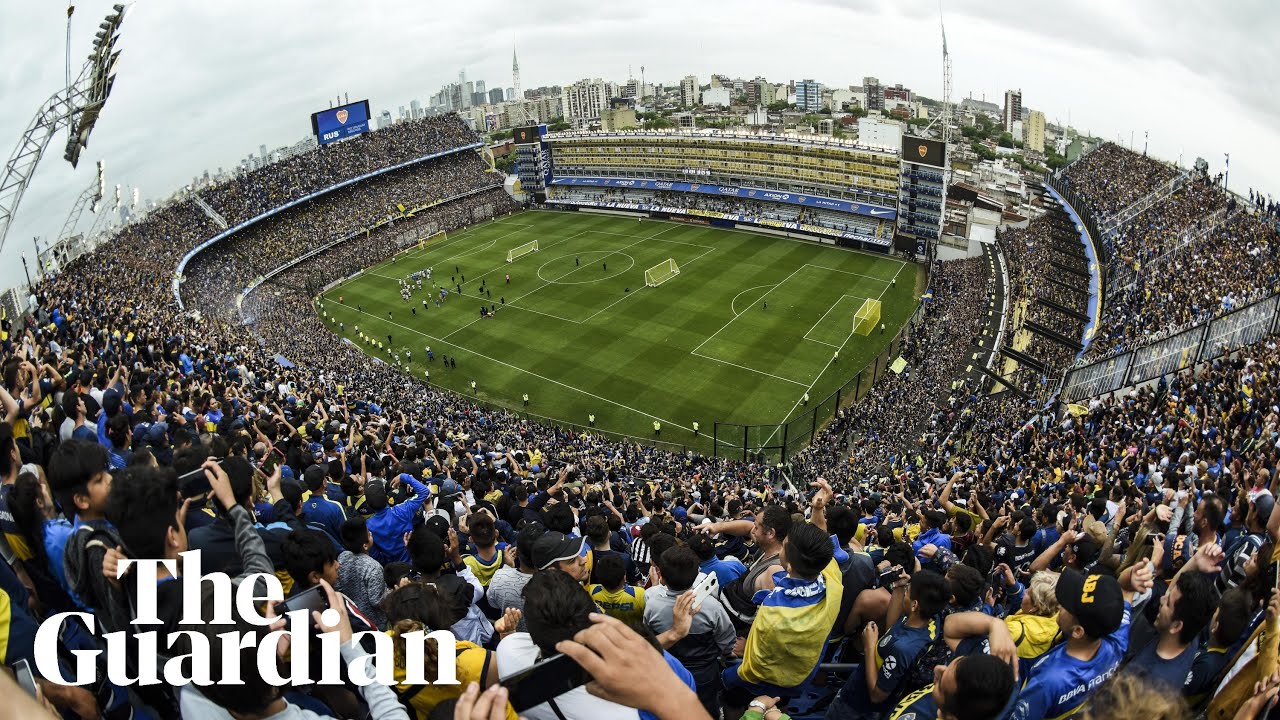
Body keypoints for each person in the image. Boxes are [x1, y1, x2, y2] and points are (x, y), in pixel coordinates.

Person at [722, 522, 842, 716]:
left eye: (784, 545)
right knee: (780, 703)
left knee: (738, 701)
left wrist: (738, 664)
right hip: (798, 676)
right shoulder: (834, 584)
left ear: (790, 565)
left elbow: (756, 669)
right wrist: (818, 508)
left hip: (764, 680)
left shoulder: (775, 614)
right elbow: (824, 546)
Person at [827, 570, 948, 718]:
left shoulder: (903, 648)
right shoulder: (928, 618)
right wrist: (899, 588)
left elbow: (877, 695)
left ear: (915, 605)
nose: (905, 594)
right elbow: (892, 628)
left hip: (858, 706)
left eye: (908, 592)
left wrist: (870, 646)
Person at [645, 545, 736, 717]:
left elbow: (650, 639)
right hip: (706, 673)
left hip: (669, 669)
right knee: (707, 707)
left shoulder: (652, 605)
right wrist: (723, 655)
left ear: (661, 577)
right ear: (696, 575)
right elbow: (727, 640)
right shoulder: (712, 607)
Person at [885, 653, 1017, 720]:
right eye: (947, 667)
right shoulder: (975, 687)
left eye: (940, 687)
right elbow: (952, 626)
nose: (937, 669)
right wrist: (995, 625)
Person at [365, 473, 432, 564]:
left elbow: (374, 552)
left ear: (369, 505)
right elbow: (424, 492)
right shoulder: (401, 511)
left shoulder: (368, 526)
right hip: (412, 560)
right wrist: (403, 477)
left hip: (392, 568)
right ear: (387, 497)